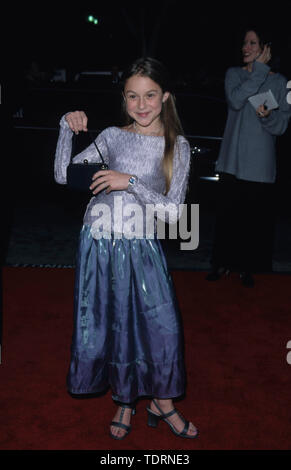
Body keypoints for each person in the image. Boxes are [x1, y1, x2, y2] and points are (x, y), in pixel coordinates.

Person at [54, 57, 198, 440]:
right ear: (124, 98)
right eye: (133, 96)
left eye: (150, 95)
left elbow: (174, 212)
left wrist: (128, 180)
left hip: (142, 245)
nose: (141, 104)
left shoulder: (176, 145)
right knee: (115, 327)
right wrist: (65, 128)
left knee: (163, 327)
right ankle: (124, 400)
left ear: (165, 97)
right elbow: (62, 175)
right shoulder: (112, 137)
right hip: (98, 244)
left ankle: (162, 401)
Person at [206, 28, 291, 287]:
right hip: (231, 160)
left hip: (260, 164)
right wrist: (259, 72)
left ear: (266, 48)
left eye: (252, 43)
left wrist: (268, 117)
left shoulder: (281, 83)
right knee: (227, 217)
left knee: (252, 221)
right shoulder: (234, 75)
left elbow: (282, 126)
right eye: (244, 42)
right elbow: (235, 100)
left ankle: (248, 268)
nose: (245, 47)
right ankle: (221, 264)